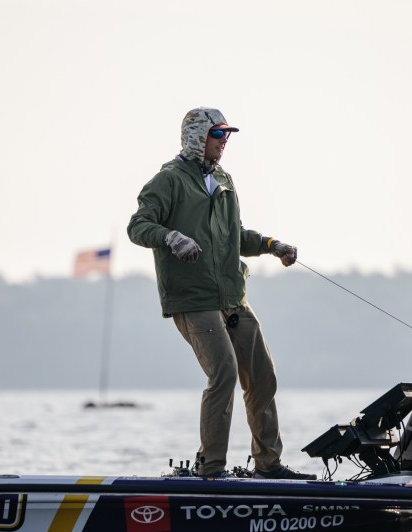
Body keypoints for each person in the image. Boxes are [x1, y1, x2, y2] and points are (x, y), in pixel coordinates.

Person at [127, 107, 314, 480]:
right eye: (218, 134)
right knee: (224, 372)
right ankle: (211, 468)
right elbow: (138, 225)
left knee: (263, 375)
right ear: (197, 136)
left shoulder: (224, 180)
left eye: (227, 135)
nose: (224, 141)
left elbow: (235, 236)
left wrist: (273, 245)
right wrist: (171, 236)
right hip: (193, 299)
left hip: (232, 296)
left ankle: (268, 465)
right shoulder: (168, 179)